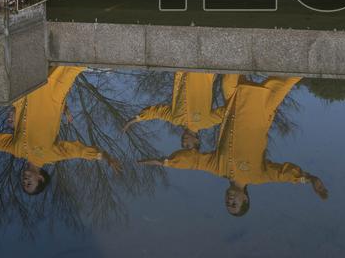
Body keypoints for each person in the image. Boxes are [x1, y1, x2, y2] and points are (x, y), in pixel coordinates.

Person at [139, 76, 328, 216]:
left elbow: (195, 162)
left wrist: (166, 162)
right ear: (245, 198)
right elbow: (281, 175)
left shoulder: (218, 168)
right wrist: (308, 179)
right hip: (262, 108)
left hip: (235, 98)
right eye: (234, 204)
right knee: (291, 77)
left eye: (227, 204)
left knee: (229, 75)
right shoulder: (257, 176)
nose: (229, 201)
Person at [0, 66, 121, 195]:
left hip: (25, 91)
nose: (25, 180)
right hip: (51, 94)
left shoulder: (17, 150)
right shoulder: (49, 156)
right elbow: (76, 152)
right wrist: (104, 156)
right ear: (40, 178)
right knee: (71, 64)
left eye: (23, 183)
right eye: (29, 183)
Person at [123, 71, 238, 150]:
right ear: (197, 141)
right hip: (203, 71)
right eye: (187, 145)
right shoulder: (205, 122)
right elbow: (227, 113)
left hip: (183, 67)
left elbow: (157, 112)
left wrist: (135, 119)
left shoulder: (175, 119)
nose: (183, 142)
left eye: (182, 144)